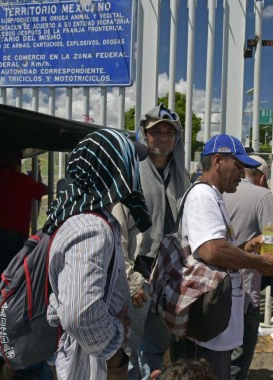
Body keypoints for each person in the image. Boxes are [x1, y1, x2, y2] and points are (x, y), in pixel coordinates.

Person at [174, 133, 273, 380]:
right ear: (217, 161)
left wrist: (245, 247)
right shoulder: (203, 196)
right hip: (208, 330)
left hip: (217, 328)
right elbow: (211, 250)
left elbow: (214, 249)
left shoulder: (214, 195)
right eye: (238, 165)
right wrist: (258, 262)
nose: (242, 173)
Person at [44, 129, 151, 380]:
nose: (134, 170)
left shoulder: (82, 216)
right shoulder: (92, 228)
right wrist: (114, 348)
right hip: (92, 364)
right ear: (112, 168)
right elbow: (80, 314)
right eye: (129, 161)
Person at [112, 103, 189, 379]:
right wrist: (130, 277)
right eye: (157, 132)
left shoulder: (181, 176)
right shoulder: (130, 176)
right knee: (127, 346)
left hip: (170, 275)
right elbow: (117, 229)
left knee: (159, 343)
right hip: (139, 273)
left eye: (170, 132)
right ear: (144, 135)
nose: (164, 137)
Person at [222, 154, 273, 380]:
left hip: (210, 290)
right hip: (245, 291)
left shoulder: (210, 191)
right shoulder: (262, 195)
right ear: (261, 178)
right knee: (238, 357)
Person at [0, 150, 47, 335]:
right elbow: (43, 191)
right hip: (9, 235)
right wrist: (35, 176)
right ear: (16, 163)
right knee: (4, 278)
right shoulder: (19, 179)